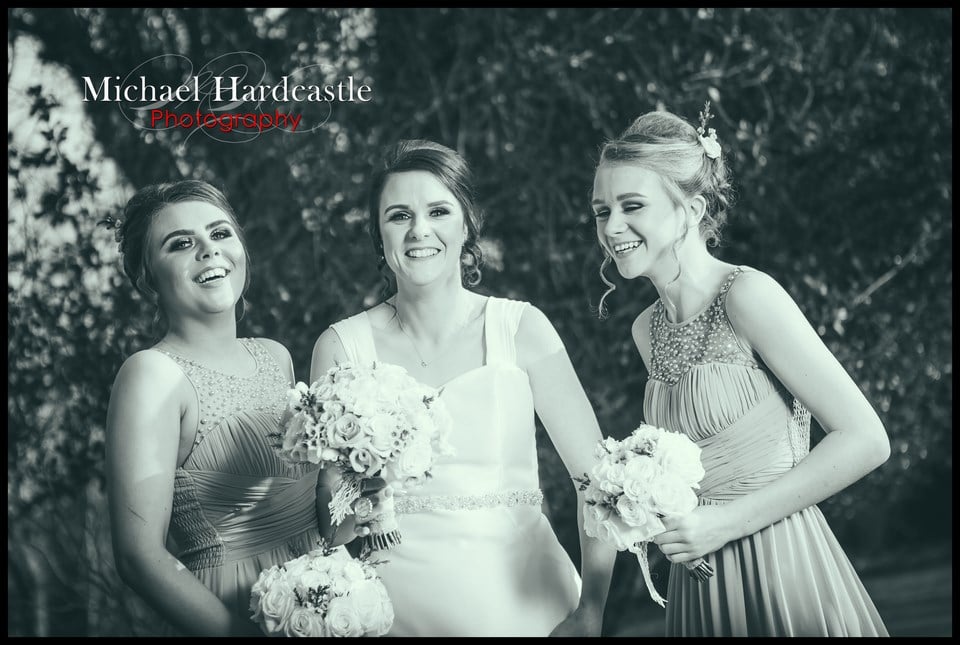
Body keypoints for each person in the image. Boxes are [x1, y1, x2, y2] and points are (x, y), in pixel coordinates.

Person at [590, 105, 891, 636]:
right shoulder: (645, 329)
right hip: (701, 582)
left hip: (780, 562)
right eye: (600, 211)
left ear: (691, 209)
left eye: (631, 205)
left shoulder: (748, 295)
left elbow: (866, 439)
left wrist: (725, 523)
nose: (613, 227)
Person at [310, 139, 617, 637]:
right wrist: (358, 491)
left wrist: (593, 609)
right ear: (378, 233)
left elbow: (597, 482)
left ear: (466, 222)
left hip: (527, 607)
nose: (419, 231)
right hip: (391, 614)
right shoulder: (341, 346)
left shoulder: (520, 328)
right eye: (398, 215)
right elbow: (333, 526)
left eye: (437, 210)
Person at [103, 180, 384, 636]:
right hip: (226, 614)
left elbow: (327, 527)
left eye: (219, 234)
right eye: (180, 244)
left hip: (323, 608)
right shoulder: (151, 375)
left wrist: (356, 485)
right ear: (146, 275)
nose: (208, 251)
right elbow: (139, 558)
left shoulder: (275, 357)